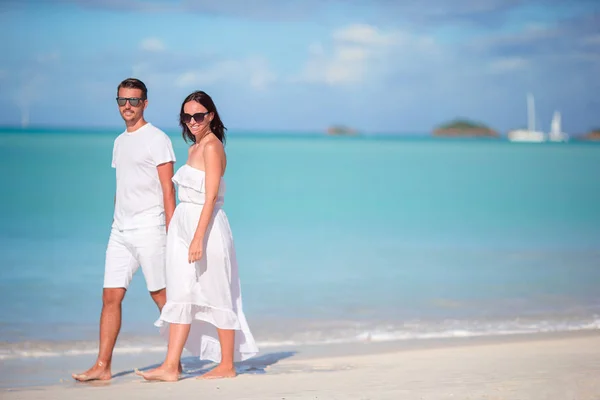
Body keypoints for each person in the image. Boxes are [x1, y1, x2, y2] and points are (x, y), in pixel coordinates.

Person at [136, 90, 258, 382]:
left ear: (211, 116)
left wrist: (197, 237)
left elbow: (211, 196)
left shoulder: (212, 147)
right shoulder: (194, 147)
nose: (192, 121)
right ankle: (170, 366)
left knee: (217, 291)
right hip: (183, 223)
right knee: (179, 292)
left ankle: (227, 365)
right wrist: (181, 231)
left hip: (207, 228)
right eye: (187, 116)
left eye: (198, 116)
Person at [72, 78, 177, 382]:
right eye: (122, 101)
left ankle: (174, 362)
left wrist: (172, 232)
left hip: (150, 228)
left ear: (145, 102)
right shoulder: (119, 142)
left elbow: (167, 190)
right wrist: (115, 219)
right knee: (110, 297)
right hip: (120, 230)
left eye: (133, 100)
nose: (127, 106)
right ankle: (103, 366)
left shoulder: (157, 138)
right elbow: (124, 185)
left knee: (161, 296)